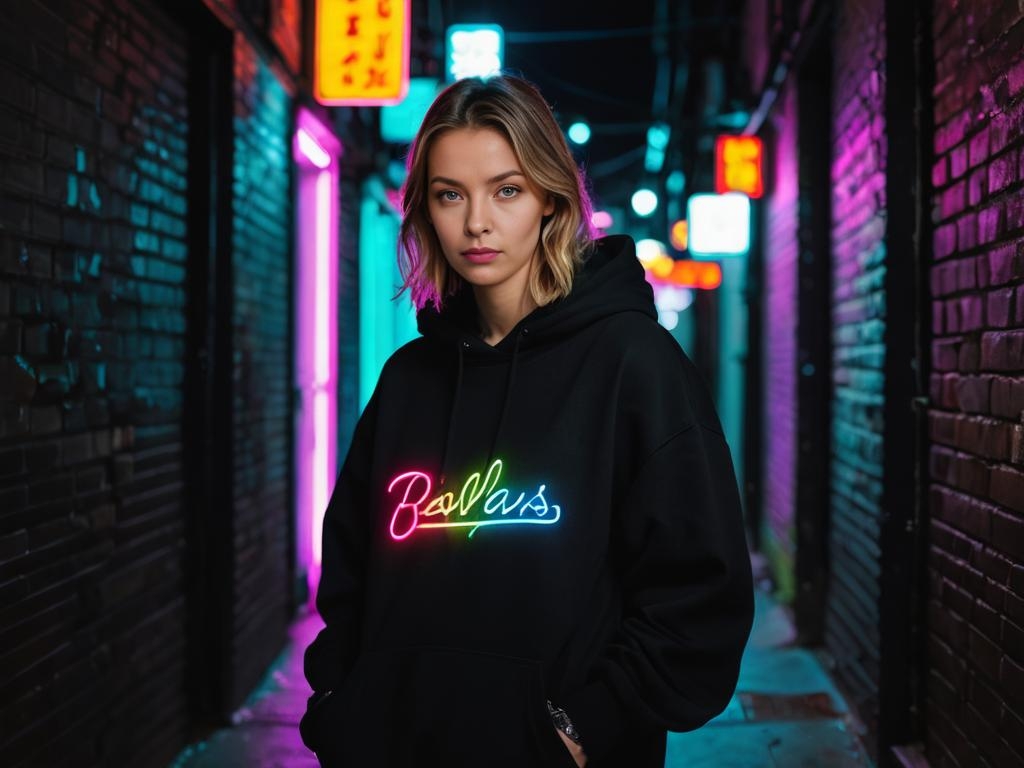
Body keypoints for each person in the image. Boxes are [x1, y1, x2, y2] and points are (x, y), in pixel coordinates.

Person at [299, 72, 754, 768]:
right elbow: (352, 573)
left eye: (505, 190)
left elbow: (701, 596)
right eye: (451, 195)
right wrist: (340, 704)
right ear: (426, 209)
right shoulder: (410, 380)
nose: (476, 222)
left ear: (550, 198)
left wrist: (580, 730)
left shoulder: (634, 364)